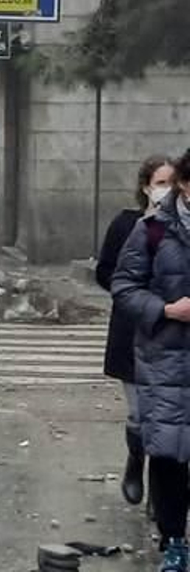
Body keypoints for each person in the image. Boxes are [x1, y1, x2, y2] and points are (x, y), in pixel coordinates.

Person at [111, 148, 190, 570]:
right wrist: (165, 311)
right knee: (168, 455)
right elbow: (123, 284)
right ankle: (175, 542)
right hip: (166, 362)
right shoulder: (152, 230)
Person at [98, 154, 176, 507]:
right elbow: (106, 272)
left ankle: (164, 492)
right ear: (146, 187)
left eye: (173, 183)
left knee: (168, 416)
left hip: (172, 333)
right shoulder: (126, 225)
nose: (168, 190)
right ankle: (135, 460)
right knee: (139, 413)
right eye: (161, 183)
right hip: (131, 331)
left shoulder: (180, 227)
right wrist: (135, 295)